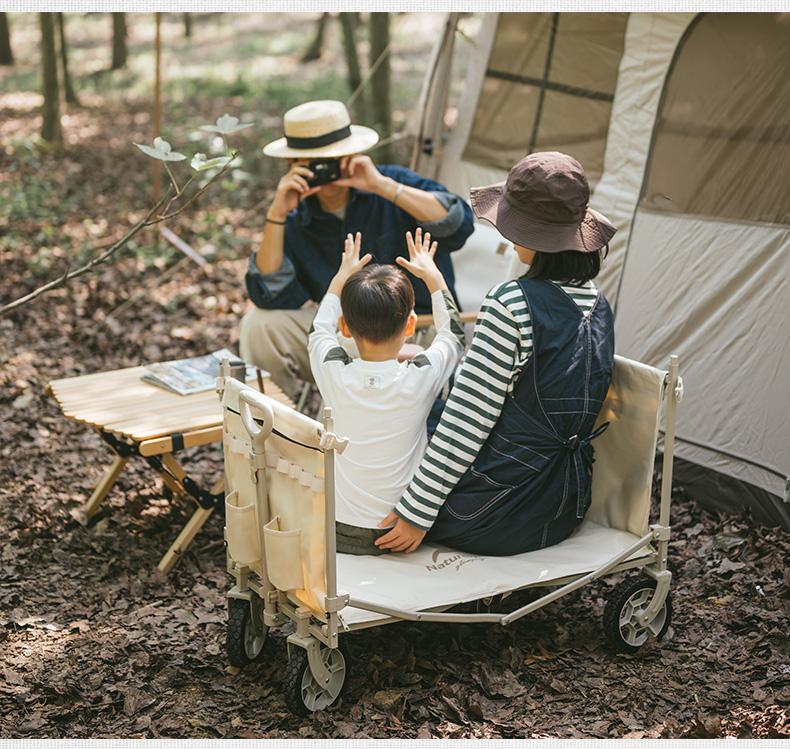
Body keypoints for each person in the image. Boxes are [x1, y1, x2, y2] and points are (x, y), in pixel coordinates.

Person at [374, 151, 618, 556]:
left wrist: (417, 513)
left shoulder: (511, 302)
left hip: (493, 512)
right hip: (563, 505)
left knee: (395, 432)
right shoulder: (600, 305)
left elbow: (467, 420)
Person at [240, 99, 474, 398]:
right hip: (343, 333)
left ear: (352, 153)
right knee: (258, 325)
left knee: (359, 340)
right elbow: (269, 294)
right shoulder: (296, 216)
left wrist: (382, 187)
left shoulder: (391, 182)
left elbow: (459, 223)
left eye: (333, 159)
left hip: (413, 331)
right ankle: (273, 434)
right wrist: (277, 214)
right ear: (292, 164)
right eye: (314, 163)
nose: (327, 171)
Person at [307, 228, 465, 556]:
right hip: (401, 527)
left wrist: (340, 276)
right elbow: (452, 334)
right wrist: (433, 276)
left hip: (337, 528)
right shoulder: (421, 377)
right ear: (409, 326)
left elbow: (318, 329)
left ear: (346, 328)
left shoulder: (333, 371)